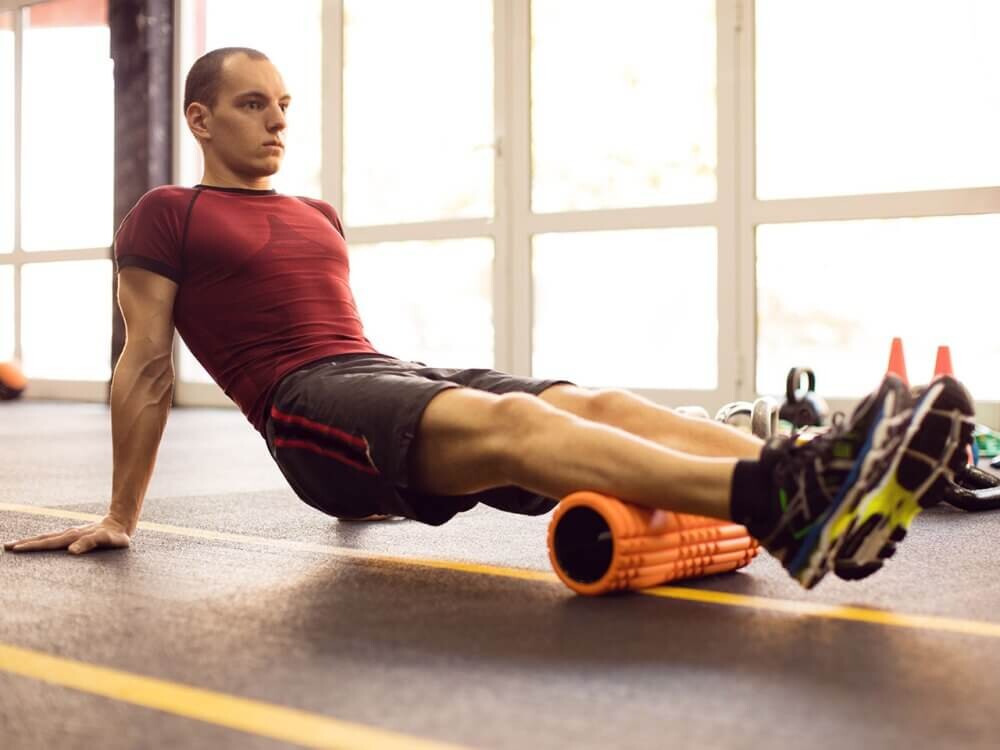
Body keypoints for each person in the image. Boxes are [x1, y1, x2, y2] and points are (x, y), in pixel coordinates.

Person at [3, 48, 976, 590]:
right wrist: (121, 515)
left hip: (378, 374)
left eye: (284, 104)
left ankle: (818, 474)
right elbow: (144, 364)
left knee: (587, 401)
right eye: (253, 105)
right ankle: (783, 499)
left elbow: (345, 337)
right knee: (516, 424)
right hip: (304, 408)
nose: (278, 120)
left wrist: (376, 464)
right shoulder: (166, 213)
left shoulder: (315, 213)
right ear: (200, 119)